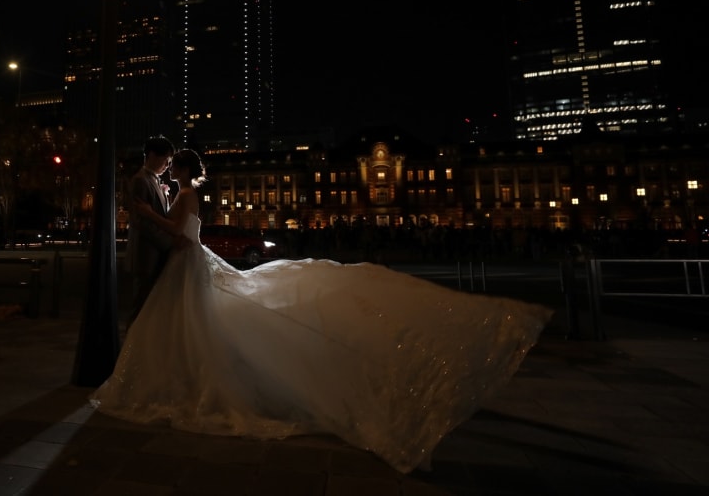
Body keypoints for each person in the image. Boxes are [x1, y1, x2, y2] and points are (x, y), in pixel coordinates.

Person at [91, 148, 554, 475]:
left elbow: (179, 231)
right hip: (188, 264)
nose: (170, 171)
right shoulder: (186, 193)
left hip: (186, 262)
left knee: (196, 324)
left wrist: (142, 213)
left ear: (186, 170)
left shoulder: (186, 194)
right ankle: (190, 374)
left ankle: (190, 378)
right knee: (198, 324)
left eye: (176, 166)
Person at [124, 135, 183, 324]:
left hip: (154, 254)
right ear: (151, 155)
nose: (167, 165)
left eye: (169, 161)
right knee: (140, 308)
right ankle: (130, 350)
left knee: (148, 308)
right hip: (145, 255)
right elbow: (142, 223)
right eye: (165, 159)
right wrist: (170, 243)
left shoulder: (154, 180)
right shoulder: (140, 181)